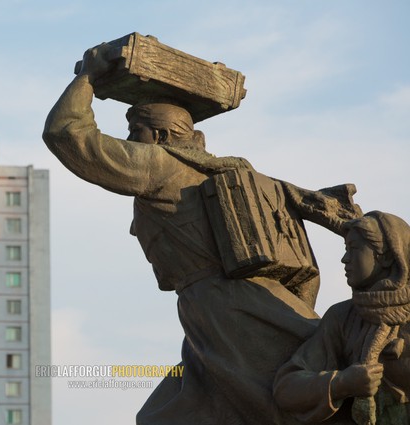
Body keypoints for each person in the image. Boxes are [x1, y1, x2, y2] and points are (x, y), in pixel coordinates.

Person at [43, 44, 362, 424]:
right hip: (239, 304)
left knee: (270, 406)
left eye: (134, 132)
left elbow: (67, 134)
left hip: (221, 311)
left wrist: (87, 78)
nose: (129, 142)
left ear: (159, 136)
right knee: (169, 415)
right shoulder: (225, 172)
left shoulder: (159, 166)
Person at [274, 211, 410, 424]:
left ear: (386, 256)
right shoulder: (342, 316)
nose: (345, 259)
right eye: (346, 250)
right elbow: (286, 387)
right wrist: (342, 383)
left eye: (354, 249)